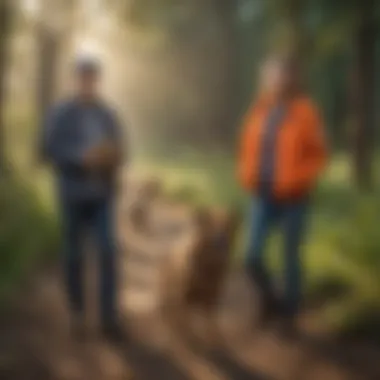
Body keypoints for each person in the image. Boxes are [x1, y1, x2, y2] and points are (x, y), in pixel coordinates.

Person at [237, 55, 328, 333]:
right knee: (250, 256)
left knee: (291, 258)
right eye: (269, 75)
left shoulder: (305, 111)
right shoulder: (259, 110)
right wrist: (246, 175)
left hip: (294, 198)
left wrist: (299, 180)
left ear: (290, 78)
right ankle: (271, 302)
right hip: (261, 195)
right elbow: (247, 149)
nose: (273, 80)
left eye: (279, 74)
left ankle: (289, 318)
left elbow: (318, 155)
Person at [42, 55, 127, 343]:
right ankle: (77, 313)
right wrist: (80, 158)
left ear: (97, 81)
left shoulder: (108, 114)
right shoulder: (60, 113)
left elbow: (122, 149)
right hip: (72, 195)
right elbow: (48, 149)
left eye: (92, 78)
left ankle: (108, 318)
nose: (87, 83)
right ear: (75, 80)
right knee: (73, 254)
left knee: (107, 251)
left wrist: (112, 157)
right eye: (83, 77)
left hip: (102, 194)